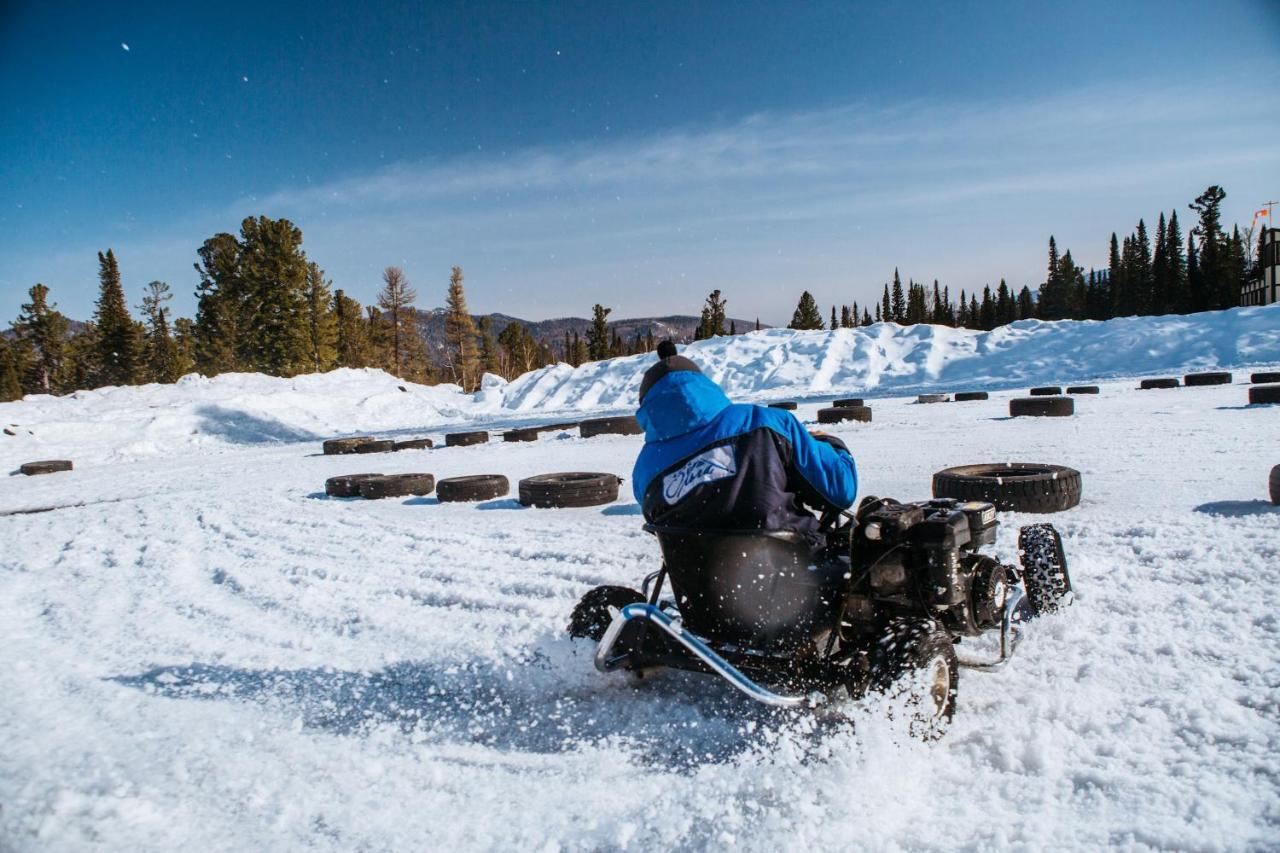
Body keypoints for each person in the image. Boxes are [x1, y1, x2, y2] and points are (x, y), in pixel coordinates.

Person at [632, 340, 857, 549]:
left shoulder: (643, 469)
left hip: (700, 583)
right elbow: (840, 490)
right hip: (798, 573)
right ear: (704, 385)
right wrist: (832, 443)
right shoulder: (766, 422)